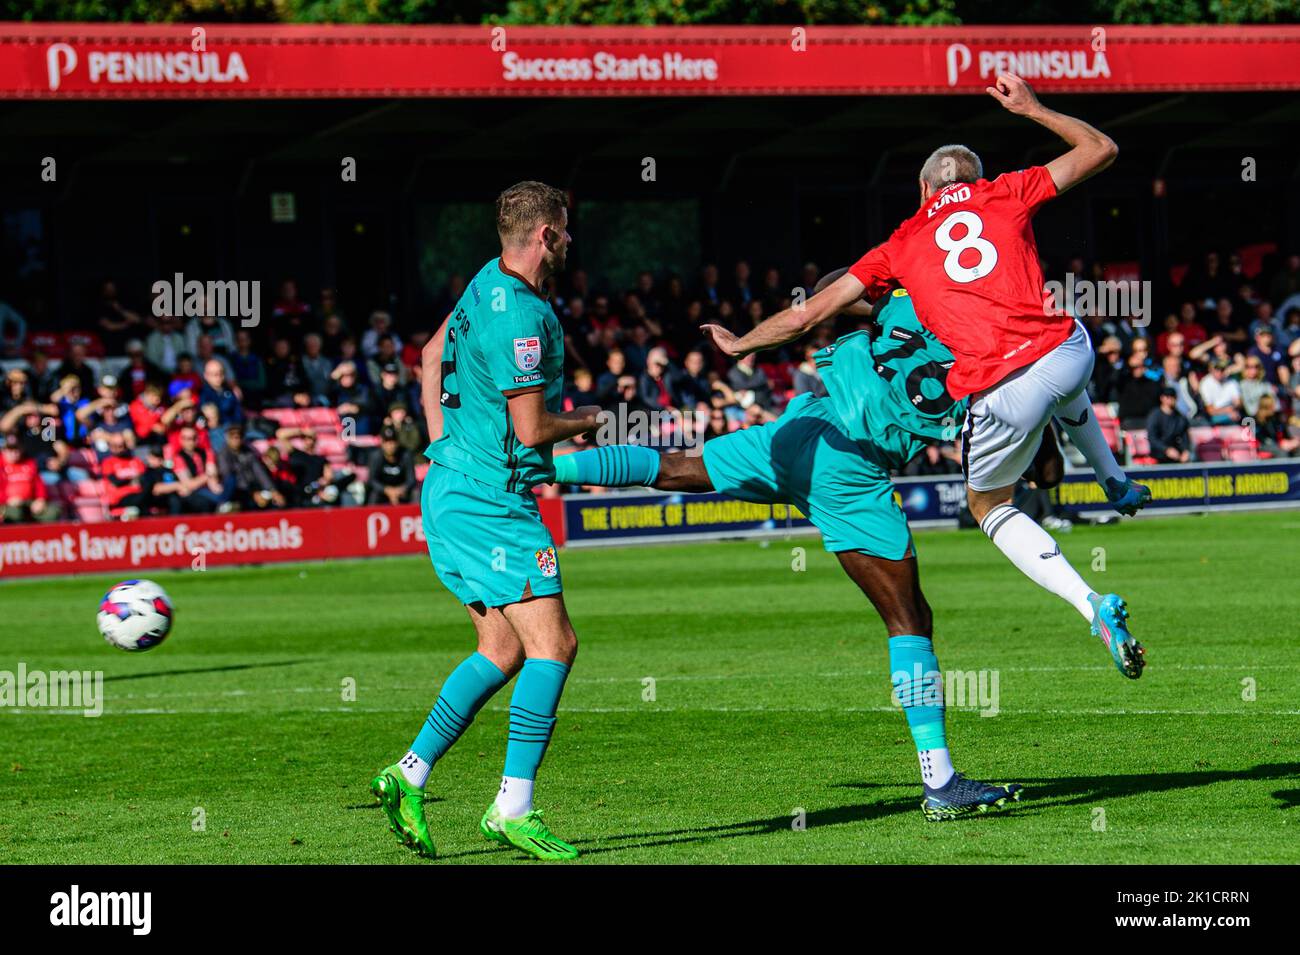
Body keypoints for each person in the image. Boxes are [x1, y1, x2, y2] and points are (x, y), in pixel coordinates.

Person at [702, 73, 1147, 681]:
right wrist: (1033, 109)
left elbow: (809, 312)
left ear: (922, 188)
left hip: (1003, 384)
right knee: (1065, 374)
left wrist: (743, 343)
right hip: (1068, 348)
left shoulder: (900, 244)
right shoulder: (1007, 192)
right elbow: (1102, 150)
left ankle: (1090, 603)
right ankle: (1115, 480)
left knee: (988, 505)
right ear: (977, 178)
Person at [560, 289, 1026, 818]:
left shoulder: (914, 296)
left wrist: (879, 286)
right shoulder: (1000, 344)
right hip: (850, 463)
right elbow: (1041, 460)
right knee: (909, 620)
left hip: (804, 424)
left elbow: (832, 290)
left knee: (679, 466)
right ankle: (939, 782)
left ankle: (543, 469)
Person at [370, 180, 600, 862]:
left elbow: (428, 356)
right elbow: (531, 431)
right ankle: (512, 806)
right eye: (566, 229)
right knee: (554, 645)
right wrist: (590, 418)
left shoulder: (484, 280)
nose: (570, 240)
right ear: (546, 236)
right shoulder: (519, 317)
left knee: (501, 650)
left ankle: (406, 773)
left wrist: (444, 447)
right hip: (491, 503)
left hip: (450, 488)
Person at [1145, 387, 1191, 463]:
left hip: (1176, 453)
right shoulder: (1154, 416)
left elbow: (1185, 437)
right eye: (1168, 397)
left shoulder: (1180, 417)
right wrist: (1166, 449)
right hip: (1158, 454)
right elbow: (1152, 438)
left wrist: (1186, 451)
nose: (1170, 399)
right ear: (1162, 398)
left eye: (1173, 397)